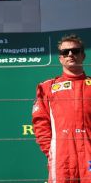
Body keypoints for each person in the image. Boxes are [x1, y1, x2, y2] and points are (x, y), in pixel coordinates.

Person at [32, 34, 91, 182]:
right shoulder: (47, 87)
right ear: (60, 59)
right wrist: (51, 150)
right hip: (61, 156)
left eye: (75, 51)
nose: (70, 54)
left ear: (83, 55)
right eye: (65, 52)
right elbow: (40, 124)